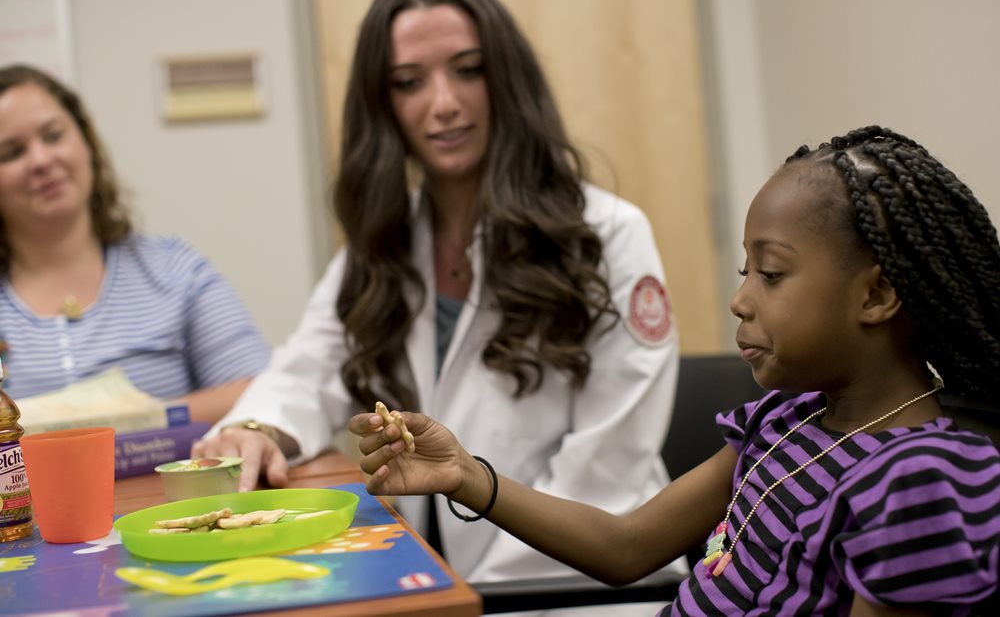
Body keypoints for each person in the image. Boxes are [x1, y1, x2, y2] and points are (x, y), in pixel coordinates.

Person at [352, 126, 1000, 616]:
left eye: (771, 274)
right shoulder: (787, 421)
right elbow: (626, 545)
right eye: (746, 272)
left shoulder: (921, 482)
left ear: (876, 295)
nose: (740, 299)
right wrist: (466, 476)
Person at [194, 0, 682, 612]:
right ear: (383, 103)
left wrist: (466, 597)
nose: (443, 103)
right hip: (454, 584)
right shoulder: (383, 246)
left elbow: (605, 473)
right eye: (409, 82)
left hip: (583, 586)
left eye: (468, 70)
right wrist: (256, 429)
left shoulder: (610, 235)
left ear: (505, 79)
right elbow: (307, 370)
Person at [0, 64, 270, 424]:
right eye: (11, 153)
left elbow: (261, 390)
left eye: (53, 135)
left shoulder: (174, 270)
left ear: (86, 141)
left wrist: (141, 419)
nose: (41, 160)